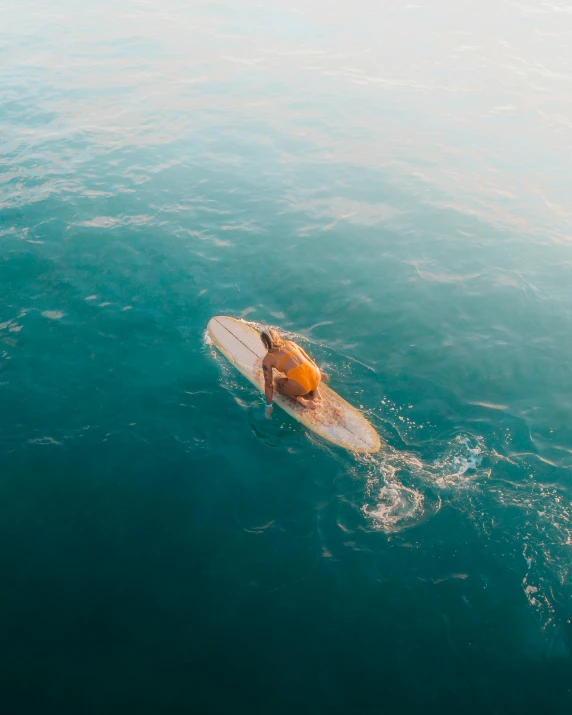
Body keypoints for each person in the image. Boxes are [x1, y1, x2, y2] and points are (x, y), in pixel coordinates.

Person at [260, 327, 327, 417]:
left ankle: (302, 400)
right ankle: (315, 391)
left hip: (302, 387)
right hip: (316, 374)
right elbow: (309, 360)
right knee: (305, 373)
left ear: (264, 343)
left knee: (276, 381)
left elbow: (269, 385)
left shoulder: (268, 359)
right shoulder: (290, 343)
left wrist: (269, 405)